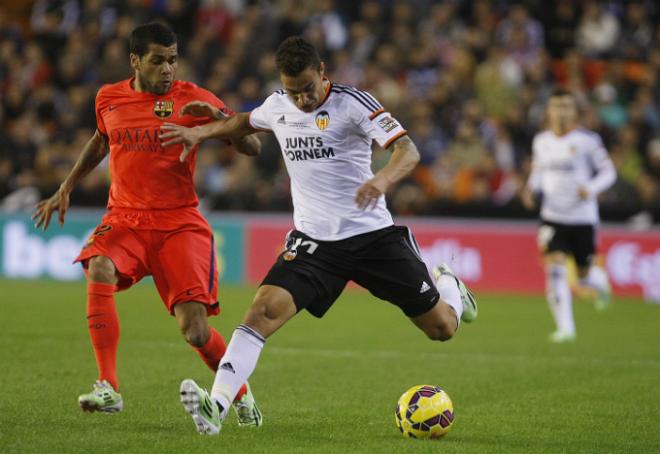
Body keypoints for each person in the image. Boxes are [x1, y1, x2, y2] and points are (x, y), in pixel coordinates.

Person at [159, 36, 478, 436]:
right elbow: (245, 121)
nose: (303, 100)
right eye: (293, 91)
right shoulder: (279, 104)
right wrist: (201, 134)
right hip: (314, 244)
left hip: (373, 237)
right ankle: (217, 406)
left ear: (323, 73)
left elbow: (408, 151)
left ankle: (449, 286)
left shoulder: (353, 103)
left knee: (441, 329)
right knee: (261, 313)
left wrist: (381, 179)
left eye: (308, 89)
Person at [31, 22, 263, 428]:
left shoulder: (193, 97)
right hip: (126, 218)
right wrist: (65, 187)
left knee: (194, 332)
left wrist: (218, 119)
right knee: (98, 264)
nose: (168, 70)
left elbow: (253, 145)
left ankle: (241, 396)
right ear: (135, 61)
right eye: (158, 61)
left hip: (179, 223)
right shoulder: (108, 98)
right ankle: (108, 386)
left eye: (173, 60)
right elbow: (102, 140)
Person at [522, 89, 616, 343]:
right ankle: (565, 328)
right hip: (552, 216)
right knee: (555, 269)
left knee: (584, 274)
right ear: (549, 111)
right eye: (556, 106)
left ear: (574, 111)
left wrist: (592, 188)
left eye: (566, 106)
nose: (561, 111)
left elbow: (609, 173)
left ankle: (600, 282)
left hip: (582, 218)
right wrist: (531, 189)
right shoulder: (541, 140)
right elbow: (538, 171)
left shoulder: (588, 140)